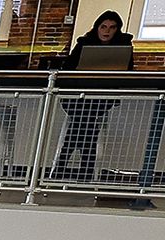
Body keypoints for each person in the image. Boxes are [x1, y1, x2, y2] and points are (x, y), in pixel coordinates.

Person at [54, 11, 134, 182]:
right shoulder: (84, 43)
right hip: (77, 95)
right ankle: (86, 170)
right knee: (87, 121)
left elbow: (128, 71)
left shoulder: (124, 44)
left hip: (101, 96)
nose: (107, 31)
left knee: (82, 121)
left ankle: (61, 166)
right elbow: (68, 68)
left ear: (117, 29)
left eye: (112, 27)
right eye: (103, 27)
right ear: (97, 28)